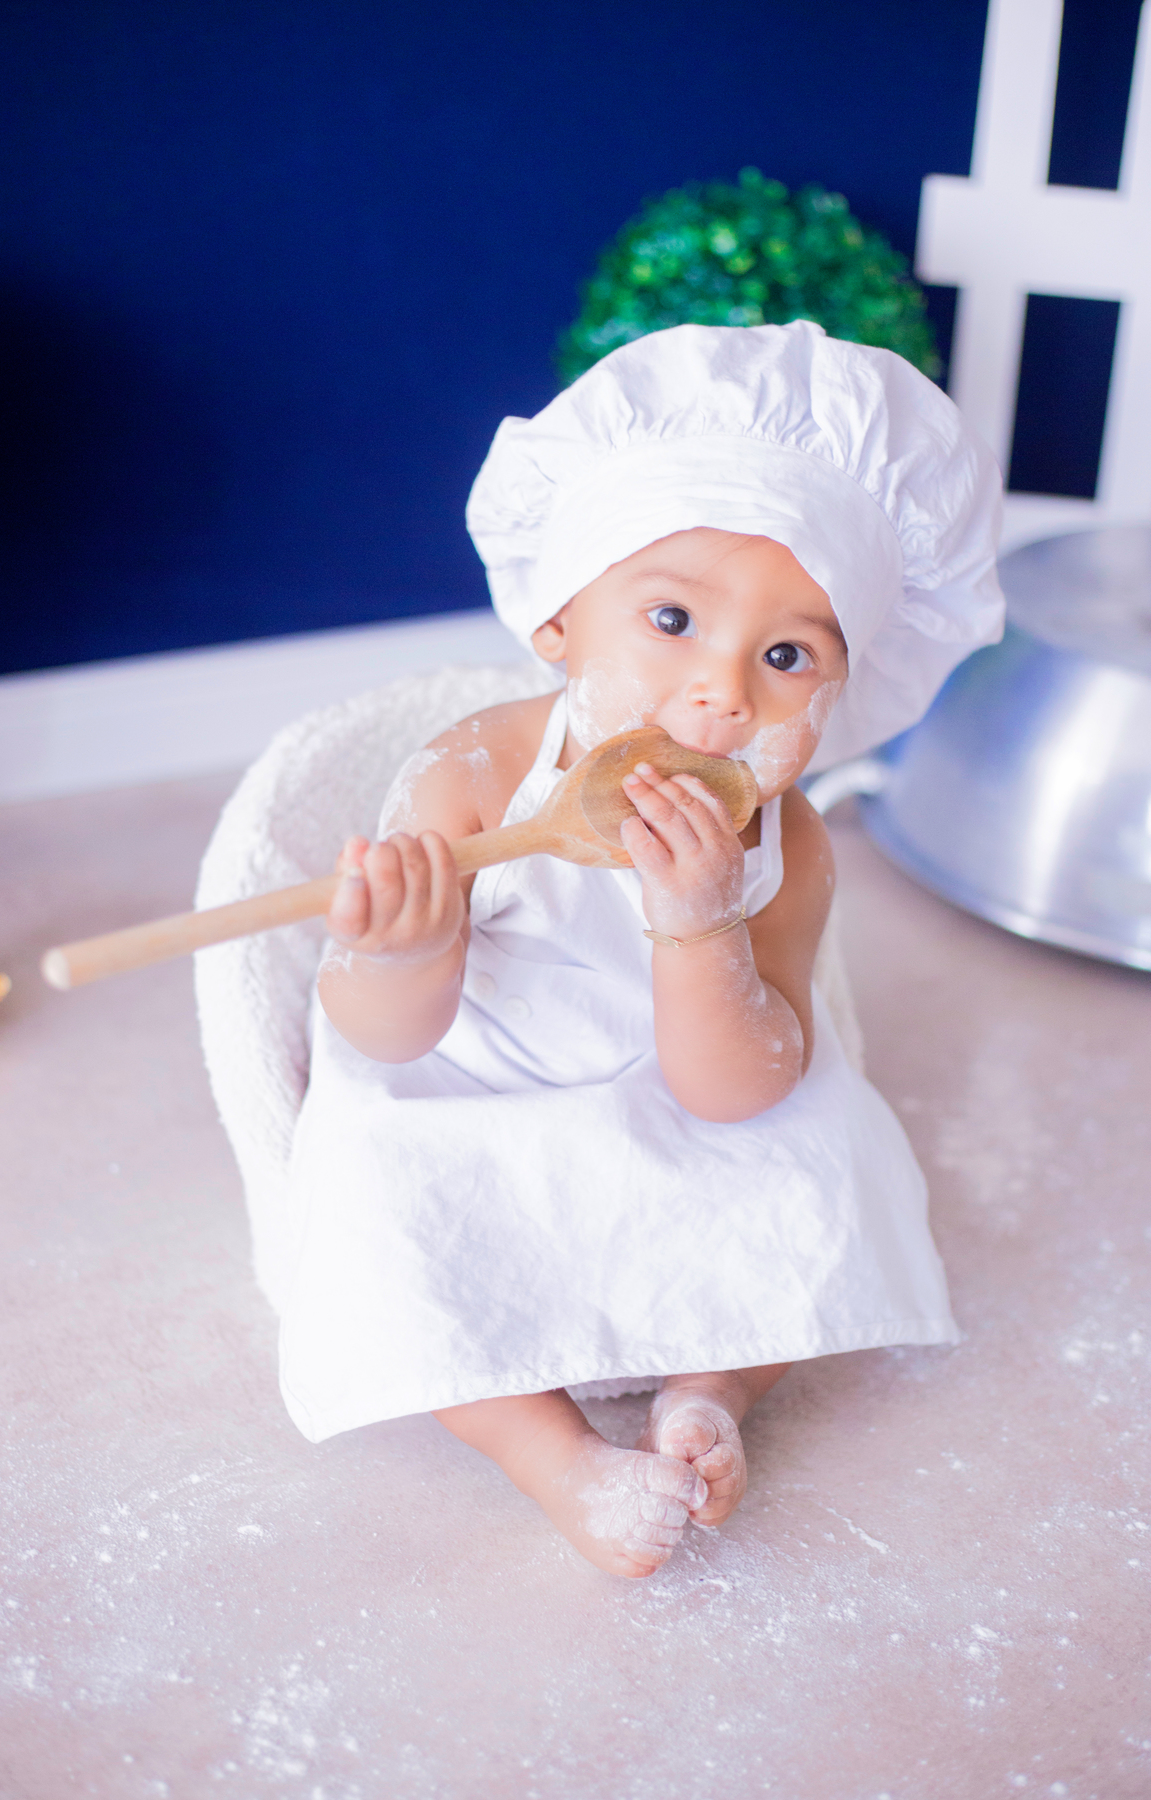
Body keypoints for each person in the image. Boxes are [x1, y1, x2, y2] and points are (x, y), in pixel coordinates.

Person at [278, 322, 1003, 1578]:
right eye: (672, 618)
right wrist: (398, 951)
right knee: (383, 1223)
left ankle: (711, 1390)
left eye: (788, 656)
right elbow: (384, 1038)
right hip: (475, 1096)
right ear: (560, 621)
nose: (724, 693)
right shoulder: (475, 773)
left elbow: (738, 1088)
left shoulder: (788, 844)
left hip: (674, 1094)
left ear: (841, 692)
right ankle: (555, 1458)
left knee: (819, 1175)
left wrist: (701, 919)